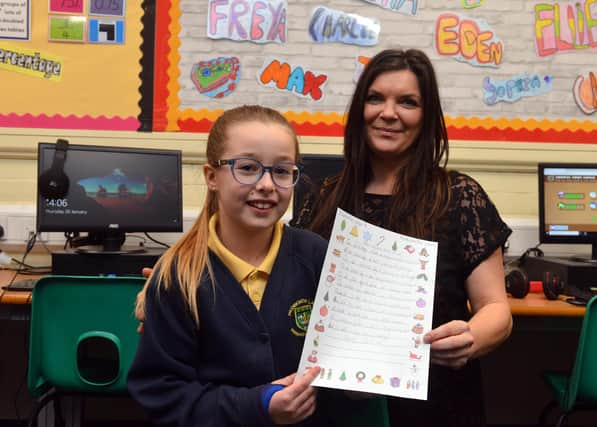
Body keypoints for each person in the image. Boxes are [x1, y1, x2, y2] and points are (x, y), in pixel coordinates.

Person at [291, 48, 513, 426]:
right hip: (335, 403)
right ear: (360, 109)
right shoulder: (324, 196)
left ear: (426, 118)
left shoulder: (459, 196)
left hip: (433, 400)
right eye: (376, 98)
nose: (388, 113)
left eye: (407, 102)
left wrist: (469, 338)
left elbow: (498, 311)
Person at [128, 105, 356, 426]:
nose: (266, 184)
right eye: (247, 168)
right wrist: (259, 405)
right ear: (212, 177)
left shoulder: (317, 257)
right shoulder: (178, 275)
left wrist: (363, 384)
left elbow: (344, 364)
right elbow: (162, 395)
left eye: (281, 171)